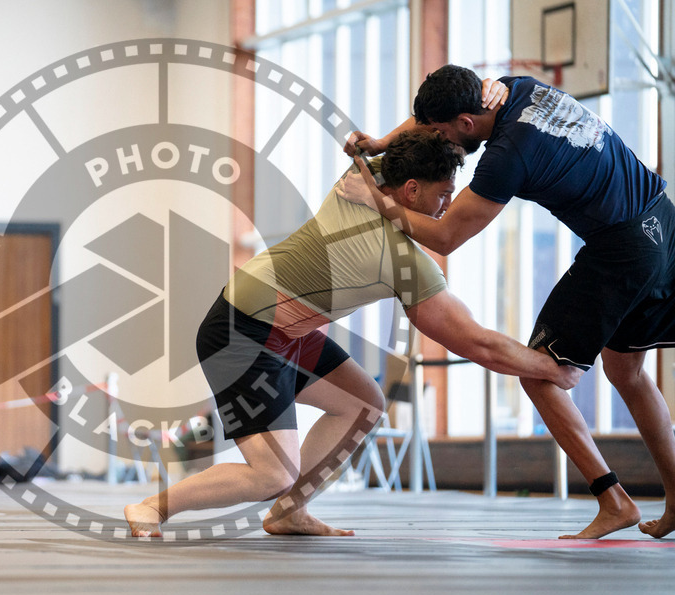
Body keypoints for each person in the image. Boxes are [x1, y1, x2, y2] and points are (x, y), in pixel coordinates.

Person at [124, 128, 581, 538]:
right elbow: (474, 341)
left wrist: (384, 141)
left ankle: (288, 512)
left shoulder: (359, 180)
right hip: (241, 331)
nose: (448, 208)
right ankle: (151, 508)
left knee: (363, 403)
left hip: (289, 333)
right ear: (411, 189)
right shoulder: (404, 263)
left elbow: (411, 138)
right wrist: (548, 367)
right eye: (444, 195)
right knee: (272, 474)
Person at [339, 64, 675, 539]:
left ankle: (614, 500)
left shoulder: (506, 158)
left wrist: (379, 202)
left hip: (622, 249)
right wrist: (381, 143)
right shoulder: (515, 90)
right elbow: (432, 114)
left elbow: (446, 236)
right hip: (661, 219)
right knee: (627, 372)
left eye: (443, 134)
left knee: (538, 371)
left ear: (467, 122)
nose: (440, 143)